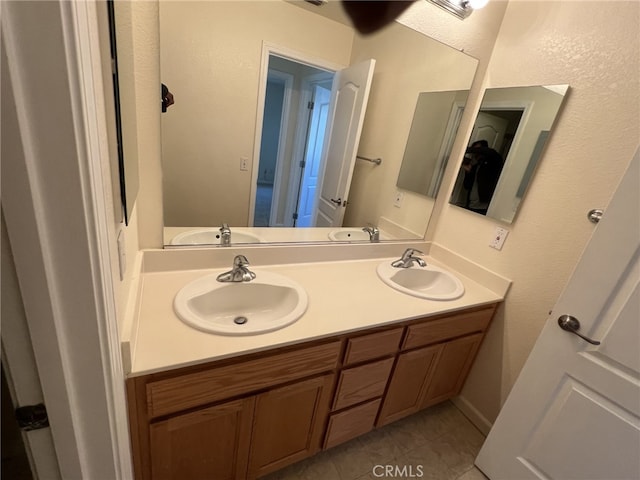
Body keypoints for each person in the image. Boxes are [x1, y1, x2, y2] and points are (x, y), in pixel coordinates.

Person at [461, 140, 504, 215]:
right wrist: (468, 172)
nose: (476, 154)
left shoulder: (493, 162)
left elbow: (491, 152)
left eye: (478, 151)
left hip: (483, 208)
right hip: (471, 206)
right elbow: (467, 186)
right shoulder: (475, 165)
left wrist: (465, 149)